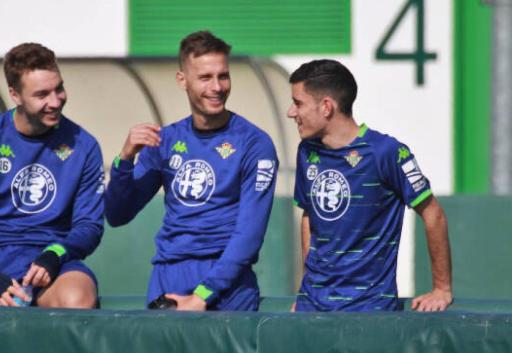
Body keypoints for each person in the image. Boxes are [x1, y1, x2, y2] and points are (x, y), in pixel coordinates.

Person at [104, 31, 278, 311]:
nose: (217, 87)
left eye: (223, 76)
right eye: (205, 77)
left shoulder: (254, 144)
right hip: (168, 277)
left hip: (227, 285)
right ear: (182, 80)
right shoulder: (165, 141)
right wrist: (125, 159)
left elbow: (249, 234)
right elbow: (117, 215)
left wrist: (203, 295)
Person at [0, 43, 104, 308]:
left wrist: (55, 254)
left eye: (58, 88)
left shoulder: (84, 146)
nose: (55, 101)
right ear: (15, 95)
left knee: (78, 298)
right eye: (41, 94)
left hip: (52, 265)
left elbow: (89, 227)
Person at [287, 59, 452, 312]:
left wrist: (442, 289)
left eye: (298, 103)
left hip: (368, 311)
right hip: (312, 307)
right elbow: (309, 216)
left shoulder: (386, 152)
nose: (291, 112)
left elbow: (433, 214)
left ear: (326, 107)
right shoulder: (306, 151)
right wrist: (307, 290)